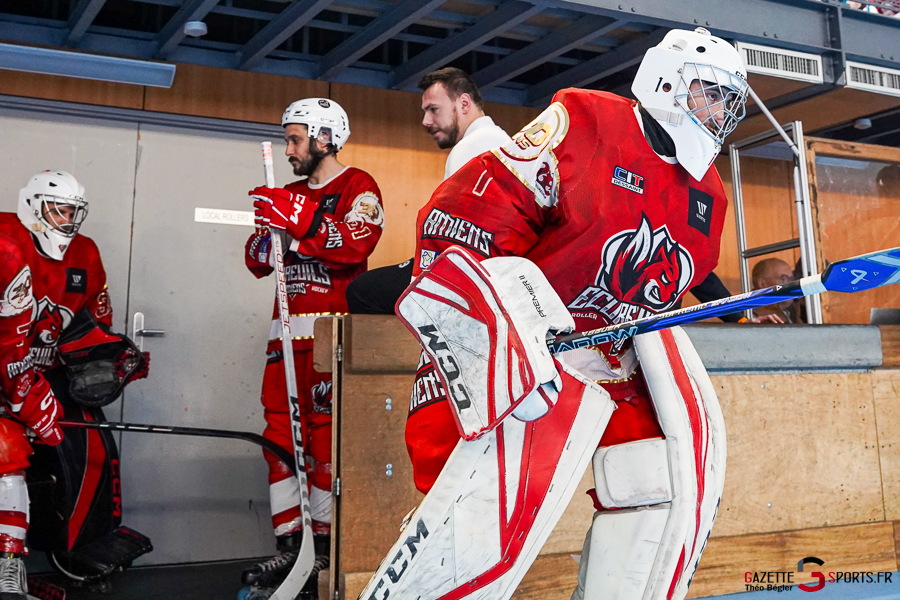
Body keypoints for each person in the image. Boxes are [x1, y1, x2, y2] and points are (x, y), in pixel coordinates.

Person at [392, 27, 751, 600]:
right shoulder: (587, 122)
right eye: (709, 92)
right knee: (463, 502)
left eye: (727, 100)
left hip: (610, 353)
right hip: (517, 342)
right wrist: (493, 327)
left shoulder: (707, 190)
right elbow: (471, 209)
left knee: (652, 477)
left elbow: (666, 285)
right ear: (665, 81)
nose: (719, 111)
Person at [244, 98, 384, 597]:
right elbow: (257, 260)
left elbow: (356, 243)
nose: (289, 149)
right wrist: (269, 231)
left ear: (326, 137)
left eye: (296, 139)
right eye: (286, 140)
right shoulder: (287, 190)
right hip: (283, 336)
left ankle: (322, 547)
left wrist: (298, 229)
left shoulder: (358, 186)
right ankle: (290, 543)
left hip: (330, 336)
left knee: (324, 443)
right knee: (279, 440)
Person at [0, 170, 151, 599]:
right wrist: (24, 398)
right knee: (7, 449)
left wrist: (111, 357)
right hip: (6, 368)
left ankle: (80, 541)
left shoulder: (84, 253)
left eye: (72, 211)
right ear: (32, 207)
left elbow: (90, 323)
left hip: (39, 372)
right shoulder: (5, 243)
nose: (67, 220)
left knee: (92, 442)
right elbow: (5, 343)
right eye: (58, 209)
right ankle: (7, 565)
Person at [345, 68, 511, 314]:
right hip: (492, 274)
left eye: (434, 109)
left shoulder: (472, 148)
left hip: (471, 279)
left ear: (464, 103)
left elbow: (454, 240)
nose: (425, 121)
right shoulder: (502, 140)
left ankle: (409, 353)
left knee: (361, 290)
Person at [750, 257, 797, 322]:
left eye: (791, 279)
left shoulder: (790, 312)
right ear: (762, 284)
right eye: (783, 279)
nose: (791, 284)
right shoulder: (750, 316)